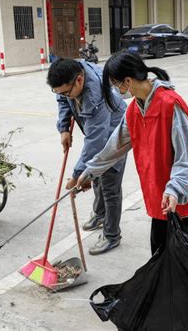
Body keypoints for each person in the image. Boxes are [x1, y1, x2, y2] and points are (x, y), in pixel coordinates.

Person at [77, 51, 188, 255]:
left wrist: (174, 189)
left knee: (180, 255)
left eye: (116, 85)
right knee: (160, 253)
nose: (117, 90)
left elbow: (186, 158)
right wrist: (89, 172)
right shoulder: (134, 109)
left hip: (183, 192)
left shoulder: (170, 104)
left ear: (127, 81)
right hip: (162, 195)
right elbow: (115, 146)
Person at [47, 58, 127, 255]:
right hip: (99, 132)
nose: (64, 96)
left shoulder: (95, 96)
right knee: (97, 177)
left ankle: (111, 235)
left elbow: (95, 142)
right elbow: (62, 98)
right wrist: (64, 127)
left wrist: (77, 176)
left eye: (67, 92)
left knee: (109, 185)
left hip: (115, 134)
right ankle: (100, 215)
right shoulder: (71, 71)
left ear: (80, 81)